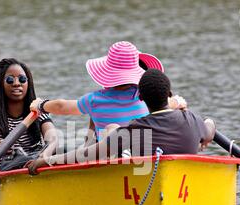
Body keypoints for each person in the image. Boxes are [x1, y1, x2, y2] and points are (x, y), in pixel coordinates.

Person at [27, 69, 215, 174]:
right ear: (169, 94)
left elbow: (84, 155)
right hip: (184, 181)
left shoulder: (133, 130)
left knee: (111, 128)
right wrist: (208, 123)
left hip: (143, 179)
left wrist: (45, 162)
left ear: (140, 97)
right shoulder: (192, 119)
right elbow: (210, 128)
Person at [29, 41, 186, 144]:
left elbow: (61, 106)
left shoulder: (95, 100)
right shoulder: (144, 96)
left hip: (110, 157)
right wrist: (178, 102)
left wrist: (41, 104)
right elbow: (168, 104)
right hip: (144, 154)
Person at [0, 58, 58, 170]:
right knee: (19, 159)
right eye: (10, 80)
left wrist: (42, 157)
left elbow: (53, 140)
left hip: (35, 165)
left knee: (63, 151)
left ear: (28, 83)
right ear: (0, 83)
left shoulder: (38, 108)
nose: (17, 84)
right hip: (7, 171)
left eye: (22, 79)